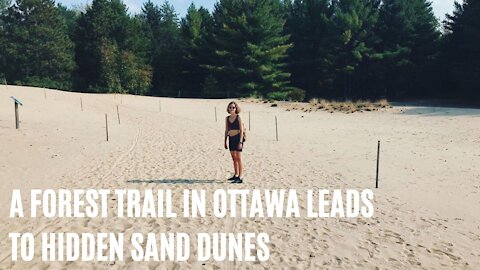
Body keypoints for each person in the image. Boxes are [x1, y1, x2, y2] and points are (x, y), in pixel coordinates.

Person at [224, 101, 245, 183]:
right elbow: (226, 130)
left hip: (238, 138)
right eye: (230, 107)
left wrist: (240, 141)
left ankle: (240, 176)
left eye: (233, 107)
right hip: (231, 138)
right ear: (228, 109)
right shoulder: (227, 118)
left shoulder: (238, 117)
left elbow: (241, 129)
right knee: (234, 158)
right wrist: (225, 141)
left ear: (236, 108)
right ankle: (236, 174)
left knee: (239, 158)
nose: (232, 109)